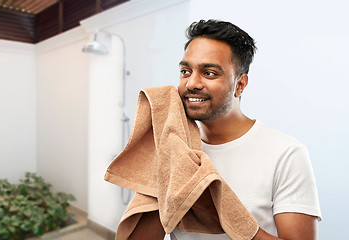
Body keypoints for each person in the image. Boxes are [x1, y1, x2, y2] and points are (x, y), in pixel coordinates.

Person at [130, 19, 321, 240]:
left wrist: (228, 218)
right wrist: (160, 160)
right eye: (185, 71)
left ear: (239, 84)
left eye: (209, 73)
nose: (191, 83)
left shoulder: (286, 154)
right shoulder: (175, 148)